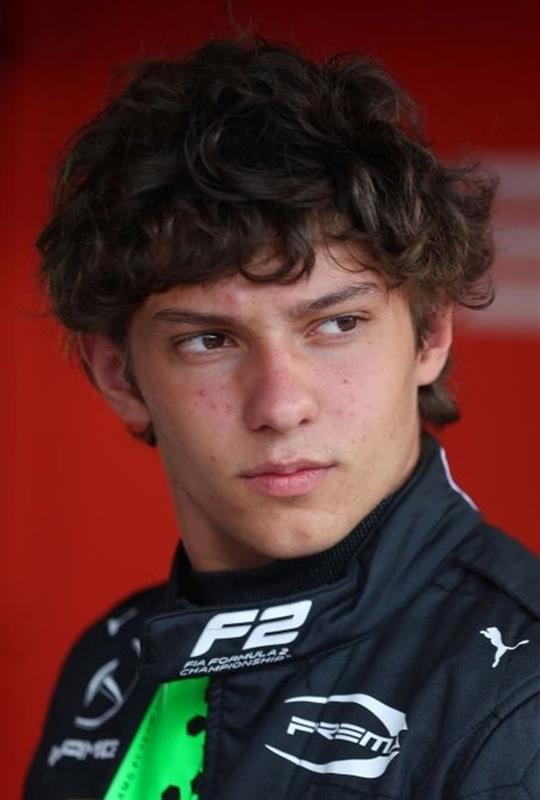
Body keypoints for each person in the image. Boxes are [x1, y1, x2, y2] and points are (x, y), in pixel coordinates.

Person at [24, 37, 539, 800]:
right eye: (209, 341)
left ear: (430, 335)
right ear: (118, 374)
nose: (281, 406)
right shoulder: (109, 662)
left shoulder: (520, 698)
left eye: (336, 325)